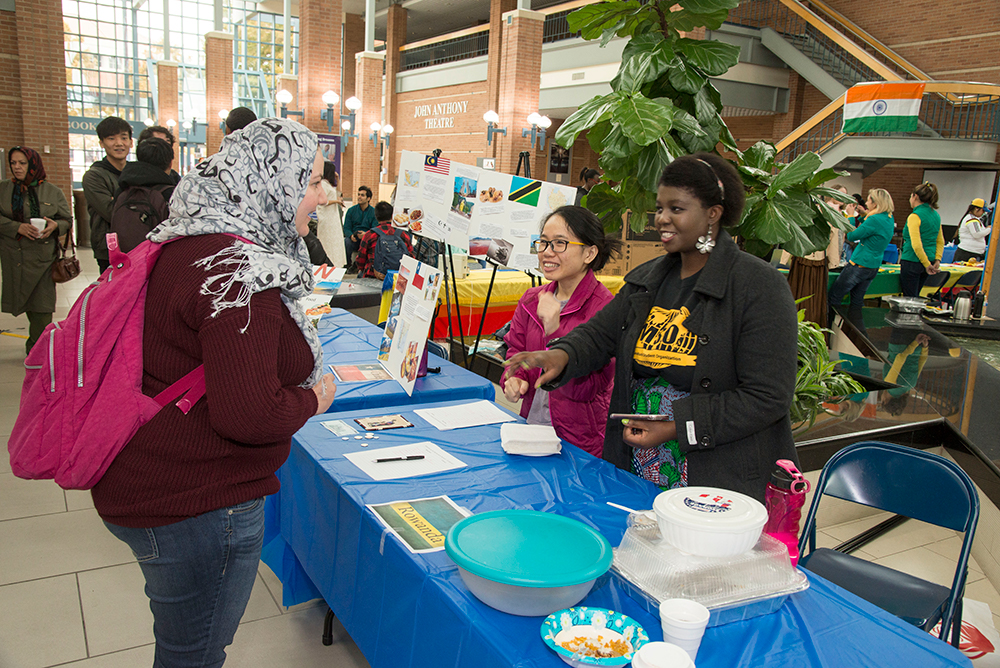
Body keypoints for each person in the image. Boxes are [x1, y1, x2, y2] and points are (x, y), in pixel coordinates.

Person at [91, 118, 337, 667]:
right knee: (194, 653)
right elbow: (248, 416)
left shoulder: (193, 239)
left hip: (152, 476)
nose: (322, 194)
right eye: (312, 179)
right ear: (271, 180)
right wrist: (313, 400)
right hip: (196, 502)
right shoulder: (238, 271)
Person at [506, 153, 798, 502]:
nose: (661, 219)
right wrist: (561, 355)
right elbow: (599, 334)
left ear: (713, 214)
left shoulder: (758, 286)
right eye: (660, 208)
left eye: (677, 209)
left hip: (716, 474)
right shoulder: (648, 280)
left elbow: (768, 397)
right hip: (638, 463)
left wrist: (678, 425)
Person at [502, 205, 620, 457]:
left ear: (589, 253)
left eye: (559, 243)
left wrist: (555, 332)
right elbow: (515, 351)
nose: (547, 252)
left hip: (579, 443)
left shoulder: (606, 308)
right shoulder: (532, 299)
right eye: (543, 243)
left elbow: (589, 387)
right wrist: (514, 379)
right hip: (531, 432)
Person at [0, 146, 72, 353]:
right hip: (15, 256)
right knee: (24, 301)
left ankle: (37, 350)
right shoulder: (4, 189)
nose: (17, 168)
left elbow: (67, 220)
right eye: (13, 163)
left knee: (42, 306)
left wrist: (55, 226)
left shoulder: (52, 191)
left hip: (43, 259)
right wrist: (17, 227)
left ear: (33, 165)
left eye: (22, 163)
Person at [827, 188, 895, 330]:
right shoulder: (888, 218)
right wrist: (864, 214)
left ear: (875, 204)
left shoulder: (874, 219)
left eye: (869, 200)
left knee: (833, 298)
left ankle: (828, 331)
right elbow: (873, 228)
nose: (866, 203)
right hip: (873, 266)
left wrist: (851, 216)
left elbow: (851, 236)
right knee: (857, 302)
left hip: (859, 264)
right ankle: (857, 335)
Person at [83, 116, 133, 273]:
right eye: (111, 138)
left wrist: (119, 201)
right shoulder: (94, 176)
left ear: (131, 142)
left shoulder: (135, 172)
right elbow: (111, 212)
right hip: (109, 249)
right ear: (101, 143)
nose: (119, 143)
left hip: (135, 244)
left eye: (124, 138)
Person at [110, 137, 176, 253]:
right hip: (158, 260)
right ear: (170, 163)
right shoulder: (170, 194)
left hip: (126, 260)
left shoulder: (122, 191)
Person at [899, 182, 942, 297]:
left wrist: (926, 263)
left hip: (912, 260)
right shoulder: (936, 216)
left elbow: (916, 244)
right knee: (916, 296)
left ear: (915, 196)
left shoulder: (915, 216)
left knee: (909, 298)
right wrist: (937, 260)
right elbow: (940, 241)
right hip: (930, 259)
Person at [356, 200, 414, 279]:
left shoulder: (369, 235)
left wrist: (361, 269)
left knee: (359, 275)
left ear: (376, 216)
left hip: (374, 277)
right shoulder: (403, 234)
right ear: (392, 216)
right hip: (397, 277)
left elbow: (360, 260)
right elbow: (411, 257)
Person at [315, 160, 347, 267]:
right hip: (327, 218)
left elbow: (339, 194)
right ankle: (330, 264)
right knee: (328, 243)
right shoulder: (323, 184)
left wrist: (338, 179)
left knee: (335, 242)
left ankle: (337, 263)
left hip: (332, 218)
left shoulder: (328, 185)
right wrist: (336, 202)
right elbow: (322, 202)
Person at [343, 184, 376, 269]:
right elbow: (346, 227)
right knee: (347, 241)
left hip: (367, 238)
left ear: (368, 198)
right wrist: (350, 235)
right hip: (354, 238)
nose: (359, 197)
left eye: (362, 195)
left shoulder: (373, 212)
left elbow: (375, 229)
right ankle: (348, 265)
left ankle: (361, 266)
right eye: (358, 194)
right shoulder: (351, 211)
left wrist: (366, 235)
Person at [954, 197, 991, 263]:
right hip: (967, 253)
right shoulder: (972, 220)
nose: (983, 213)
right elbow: (977, 234)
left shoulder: (975, 219)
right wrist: (989, 229)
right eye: (983, 211)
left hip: (972, 252)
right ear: (976, 208)